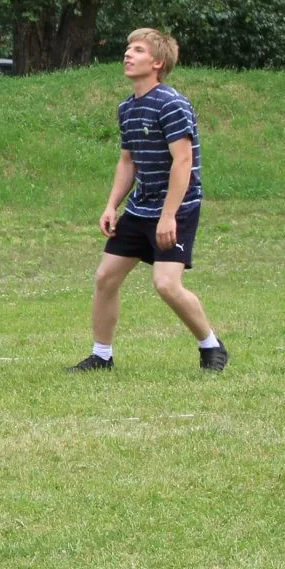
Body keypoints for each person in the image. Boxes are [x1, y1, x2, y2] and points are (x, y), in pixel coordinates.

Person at [69, 28, 228, 374]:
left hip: (177, 207)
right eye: (128, 49)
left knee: (166, 284)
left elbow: (183, 162)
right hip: (140, 207)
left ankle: (211, 346)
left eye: (137, 50)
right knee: (105, 277)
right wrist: (112, 205)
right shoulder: (127, 107)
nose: (128, 54)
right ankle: (102, 356)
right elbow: (128, 161)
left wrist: (168, 216)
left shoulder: (171, 104)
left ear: (157, 63)